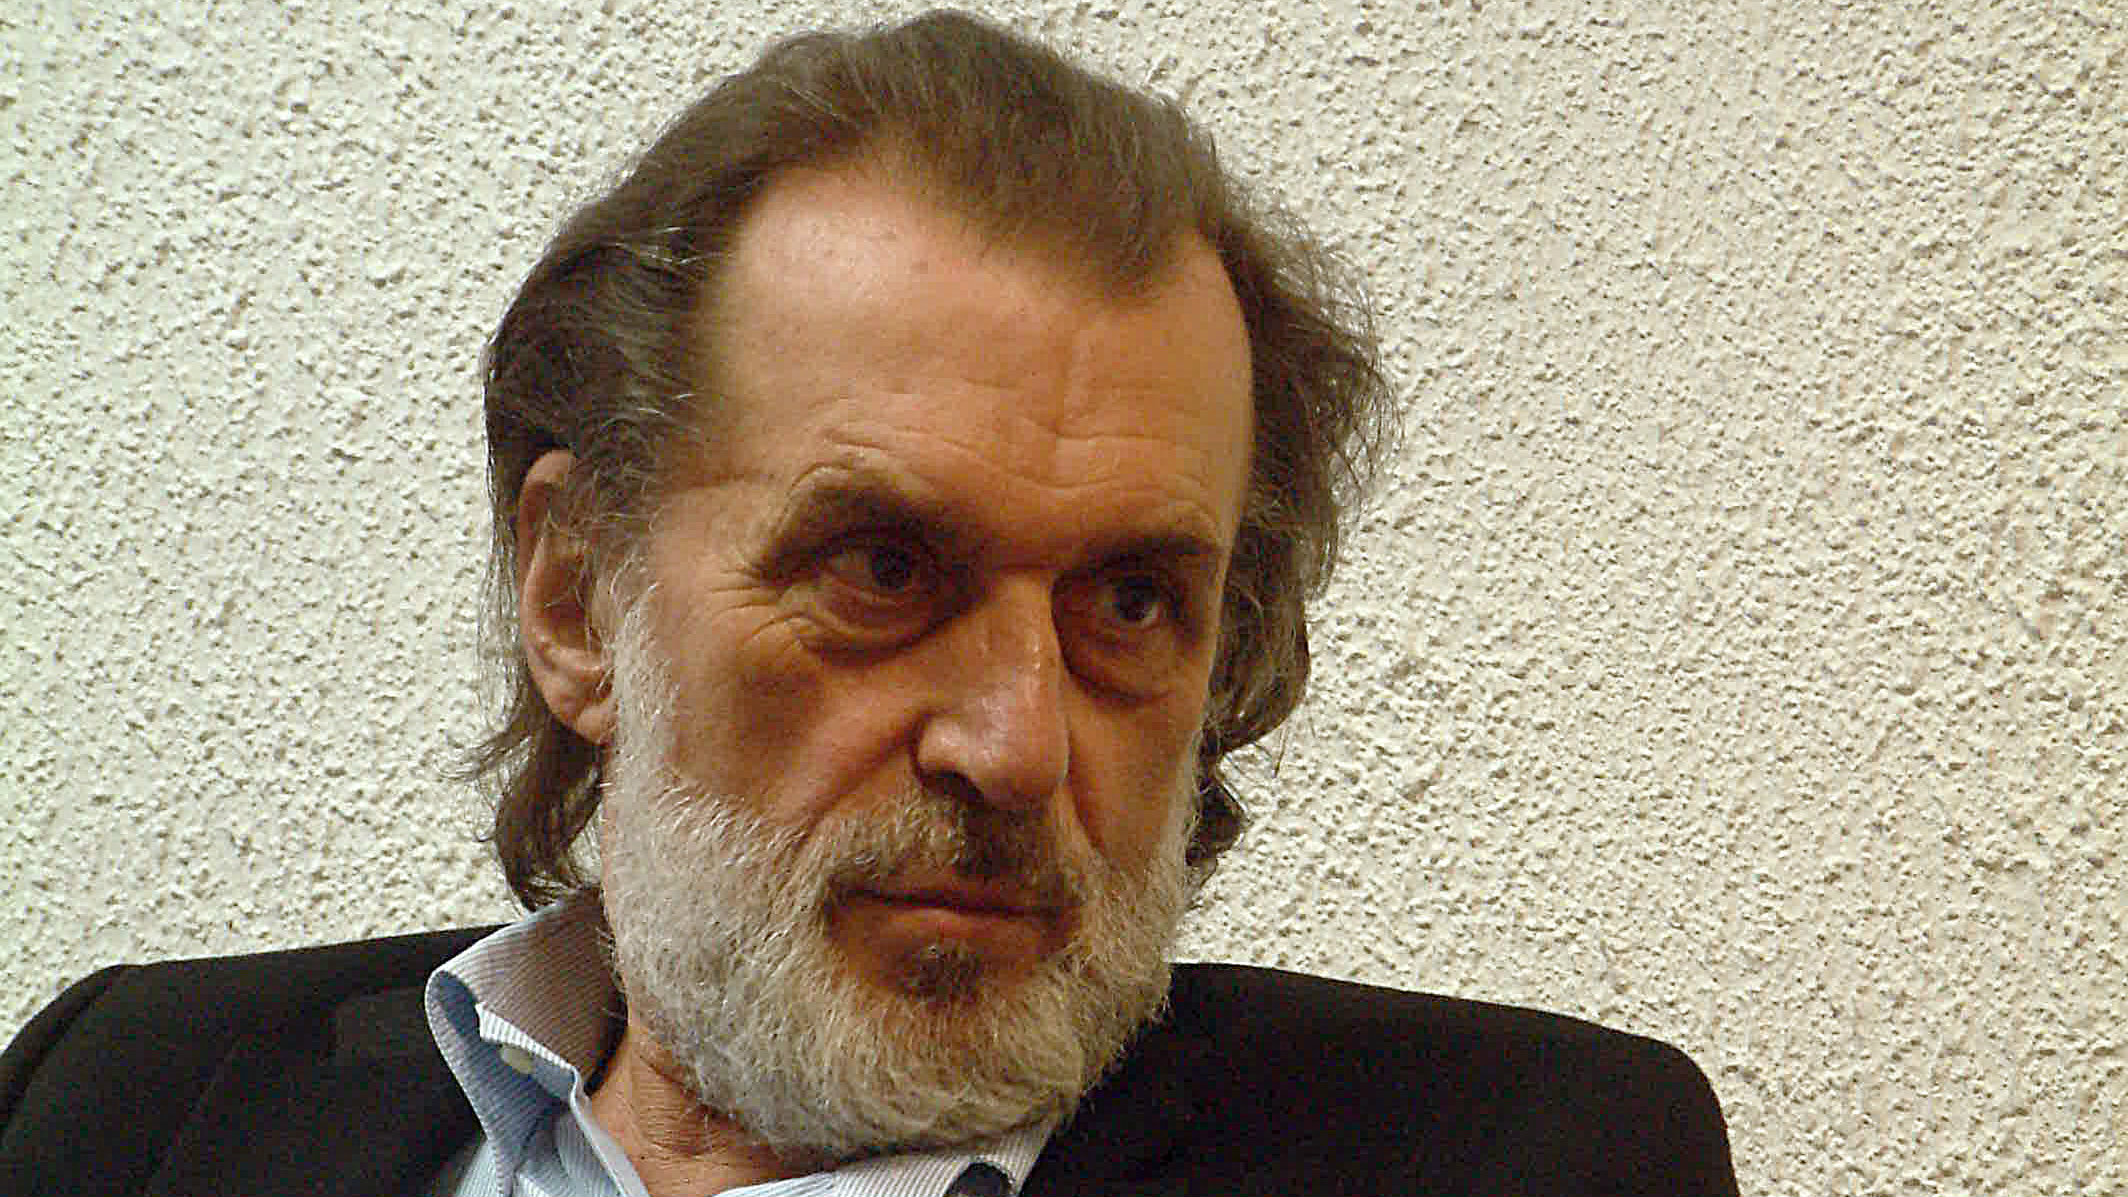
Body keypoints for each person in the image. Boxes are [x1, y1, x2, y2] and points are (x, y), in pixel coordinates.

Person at [0, 11, 1738, 1196]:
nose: (1017, 743)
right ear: (577, 598)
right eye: (885, 571)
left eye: (1133, 601)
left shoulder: (1532, 1159)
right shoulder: (126, 1096)